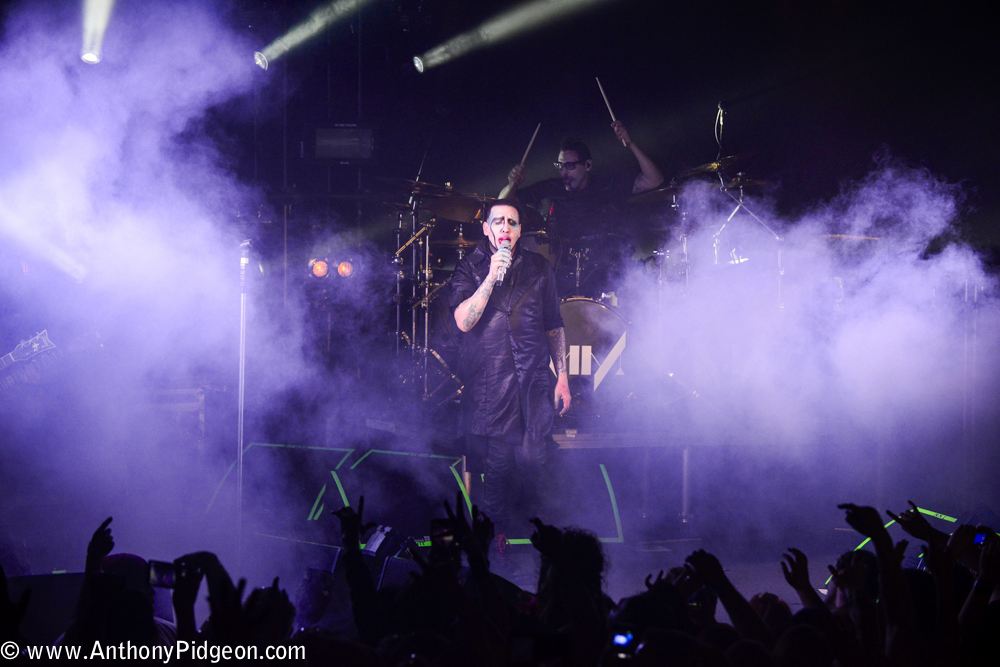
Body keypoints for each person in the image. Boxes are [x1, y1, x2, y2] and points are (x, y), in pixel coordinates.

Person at [450, 199, 571, 540]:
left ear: (519, 231)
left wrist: (562, 377)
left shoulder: (539, 267)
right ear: (486, 228)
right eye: (498, 221)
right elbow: (463, 322)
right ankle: (496, 542)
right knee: (497, 467)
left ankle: (543, 537)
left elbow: (554, 324)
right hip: (491, 384)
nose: (505, 227)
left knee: (537, 461)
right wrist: (491, 276)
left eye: (512, 223)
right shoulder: (469, 268)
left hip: (533, 380)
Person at [499, 121, 663, 296]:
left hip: (602, 273)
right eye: (560, 166)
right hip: (559, 272)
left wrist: (630, 143)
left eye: (570, 166)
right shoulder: (550, 188)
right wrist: (512, 184)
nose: (564, 172)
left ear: (587, 165)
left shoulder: (605, 185)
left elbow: (654, 180)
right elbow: (501, 205)